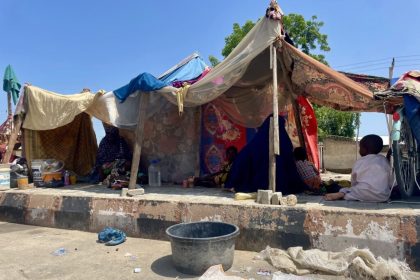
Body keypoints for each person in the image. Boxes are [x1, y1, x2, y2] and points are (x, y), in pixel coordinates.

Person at [224, 115, 307, 194]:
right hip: (281, 182)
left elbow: (241, 159)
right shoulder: (284, 141)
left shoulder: (256, 142)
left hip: (257, 182)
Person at [324, 134, 392, 202]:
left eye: (360, 147)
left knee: (346, 190)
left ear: (365, 149)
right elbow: (390, 180)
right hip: (382, 196)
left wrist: (354, 187)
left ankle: (342, 194)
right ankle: (344, 194)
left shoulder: (359, 162)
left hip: (361, 193)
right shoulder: (384, 160)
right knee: (354, 191)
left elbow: (354, 181)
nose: (359, 150)